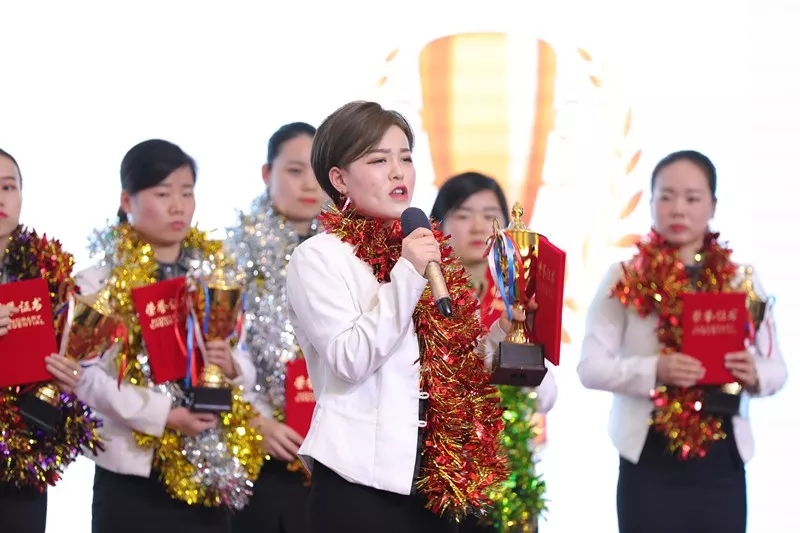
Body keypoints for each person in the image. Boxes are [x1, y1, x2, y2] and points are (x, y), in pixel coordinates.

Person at [286, 101, 538, 533]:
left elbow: (458, 369)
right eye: (378, 160)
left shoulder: (424, 250)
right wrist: (408, 272)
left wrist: (504, 330)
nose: (397, 172)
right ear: (339, 178)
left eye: (405, 158)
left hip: (437, 482)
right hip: (359, 487)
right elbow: (350, 359)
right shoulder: (319, 257)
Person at [577, 150, 788, 533]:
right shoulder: (623, 277)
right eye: (666, 196)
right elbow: (590, 368)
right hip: (648, 461)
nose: (678, 209)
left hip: (722, 462)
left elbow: (777, 370)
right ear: (651, 202)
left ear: (713, 205)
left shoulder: (741, 280)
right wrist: (655, 369)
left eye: (692, 198)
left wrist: (754, 374)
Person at [74, 139, 262, 533]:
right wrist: (163, 416)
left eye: (187, 192)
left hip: (208, 466)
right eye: (163, 194)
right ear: (127, 200)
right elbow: (83, 376)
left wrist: (230, 366)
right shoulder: (98, 283)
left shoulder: (215, 277)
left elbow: (244, 360)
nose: (178, 206)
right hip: (131, 475)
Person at [430, 171, 557, 533]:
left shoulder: (518, 297)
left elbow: (546, 395)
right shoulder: (420, 295)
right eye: (463, 214)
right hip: (442, 469)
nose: (478, 227)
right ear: (438, 225)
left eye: (490, 216)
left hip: (510, 468)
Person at [227, 121, 327, 533]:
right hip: (263, 456)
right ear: (267, 173)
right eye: (295, 170)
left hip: (337, 456)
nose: (309, 184)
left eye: (318, 172)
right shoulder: (233, 256)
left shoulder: (351, 252)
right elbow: (219, 354)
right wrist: (257, 422)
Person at [0, 148, 103, 533]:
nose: (0, 199)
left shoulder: (51, 274)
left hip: (24, 451)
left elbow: (73, 356)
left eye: (8, 187)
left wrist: (70, 376)